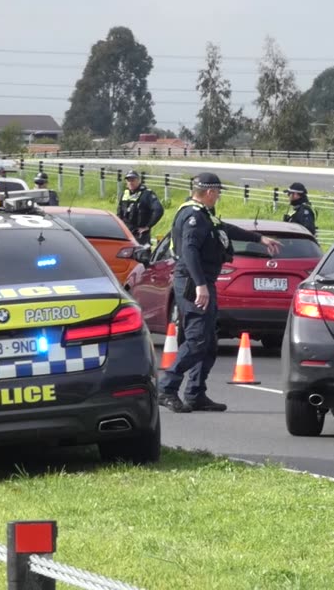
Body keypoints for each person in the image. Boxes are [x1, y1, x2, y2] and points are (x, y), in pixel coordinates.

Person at [158, 172, 282, 413]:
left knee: (209, 342)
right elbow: (190, 251)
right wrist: (201, 285)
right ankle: (167, 389)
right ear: (210, 192)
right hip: (195, 283)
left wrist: (259, 238)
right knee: (196, 341)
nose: (218, 196)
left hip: (203, 281)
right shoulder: (192, 216)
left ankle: (195, 393)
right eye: (217, 192)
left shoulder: (205, 215)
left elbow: (224, 228)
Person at [117, 170, 164, 245]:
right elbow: (119, 213)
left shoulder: (147, 194)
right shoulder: (125, 194)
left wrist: (148, 226)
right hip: (126, 233)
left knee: (142, 255)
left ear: (138, 180)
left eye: (133, 180)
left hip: (140, 235)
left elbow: (159, 210)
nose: (130, 183)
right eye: (128, 180)